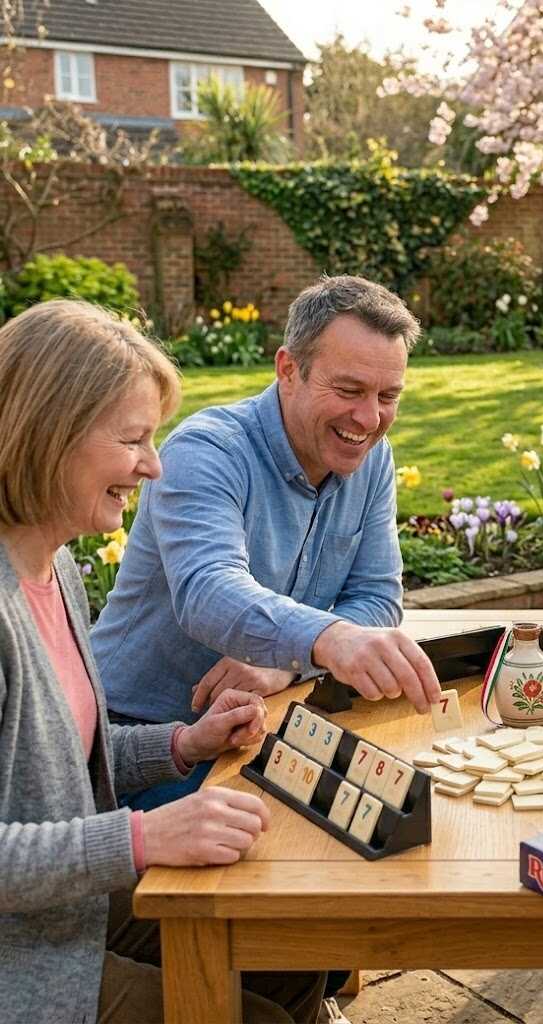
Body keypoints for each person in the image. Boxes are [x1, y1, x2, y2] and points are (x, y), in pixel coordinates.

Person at [0, 300, 325, 1024]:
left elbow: (53, 757)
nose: (153, 465)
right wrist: (144, 836)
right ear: (50, 434)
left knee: (294, 953)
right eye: (133, 440)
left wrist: (183, 744)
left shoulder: (56, 572)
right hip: (22, 954)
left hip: (65, 906)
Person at [92, 274, 442, 809]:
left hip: (261, 723)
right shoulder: (208, 450)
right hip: (139, 739)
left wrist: (291, 662)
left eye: (387, 396)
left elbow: (377, 597)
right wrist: (328, 640)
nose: (369, 419)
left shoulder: (372, 458)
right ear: (288, 371)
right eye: (348, 391)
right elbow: (207, 591)